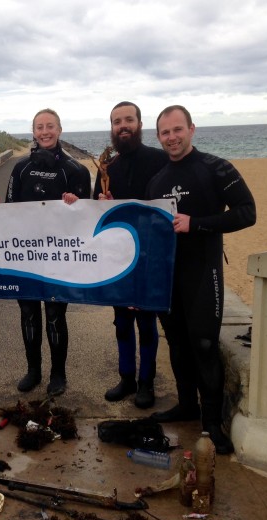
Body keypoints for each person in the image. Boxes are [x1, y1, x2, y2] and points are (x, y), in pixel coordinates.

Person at [146, 105, 257, 454]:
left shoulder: (215, 167)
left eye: (177, 129)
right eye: (165, 132)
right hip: (169, 275)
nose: (172, 137)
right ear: (159, 136)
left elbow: (247, 212)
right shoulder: (157, 180)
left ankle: (211, 423)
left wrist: (197, 223)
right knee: (177, 343)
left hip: (203, 271)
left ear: (192, 129)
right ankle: (186, 406)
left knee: (204, 345)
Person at [0, 108, 91, 396]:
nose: (45, 132)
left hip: (58, 259)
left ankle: (58, 374)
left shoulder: (76, 171)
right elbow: (10, 212)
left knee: (55, 316)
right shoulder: (21, 169)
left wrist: (75, 203)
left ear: (59, 129)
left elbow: (87, 220)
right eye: (39, 127)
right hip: (26, 258)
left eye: (50, 126)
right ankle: (33, 370)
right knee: (29, 314)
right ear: (33, 132)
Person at [93, 101, 169, 409]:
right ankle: (126, 378)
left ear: (139, 123)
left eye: (128, 120)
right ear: (111, 128)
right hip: (118, 257)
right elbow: (94, 212)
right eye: (117, 122)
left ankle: (146, 382)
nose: (123, 126)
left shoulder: (160, 160)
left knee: (146, 323)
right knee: (121, 322)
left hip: (150, 257)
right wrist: (101, 201)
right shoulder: (107, 168)